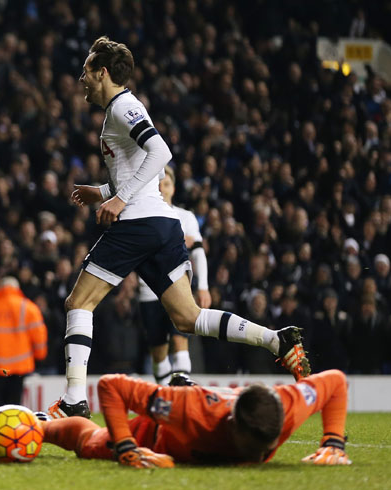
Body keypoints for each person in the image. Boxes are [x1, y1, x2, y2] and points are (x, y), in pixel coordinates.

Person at [49, 37, 309, 419]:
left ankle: (73, 399)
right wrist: (103, 190)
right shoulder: (118, 111)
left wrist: (118, 200)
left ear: (103, 73)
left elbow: (161, 153)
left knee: (78, 303)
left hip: (137, 223)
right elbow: (140, 171)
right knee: (187, 317)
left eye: (87, 70)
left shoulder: (124, 106)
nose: (81, 78)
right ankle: (275, 340)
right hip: (161, 224)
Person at [41, 370, 351, 467]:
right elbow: (111, 385)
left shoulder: (288, 407)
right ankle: (39, 426)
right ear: (232, 425)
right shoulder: (188, 410)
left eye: (266, 448)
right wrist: (125, 447)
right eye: (253, 448)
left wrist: (333, 442)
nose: (258, 457)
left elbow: (336, 380)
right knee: (90, 443)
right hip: (158, 433)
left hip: (191, 416)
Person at [139, 166, 210, 385]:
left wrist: (203, 287)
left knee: (180, 340)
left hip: (179, 286)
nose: (162, 188)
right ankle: (163, 398)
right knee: (158, 351)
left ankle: (181, 396)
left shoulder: (185, 217)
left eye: (166, 184)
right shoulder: (141, 217)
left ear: (173, 188)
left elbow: (198, 252)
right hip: (148, 291)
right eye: (158, 184)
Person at [0, 276, 48, 409]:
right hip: (19, 366)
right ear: (17, 289)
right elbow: (39, 336)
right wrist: (40, 355)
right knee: (15, 406)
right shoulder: (28, 307)